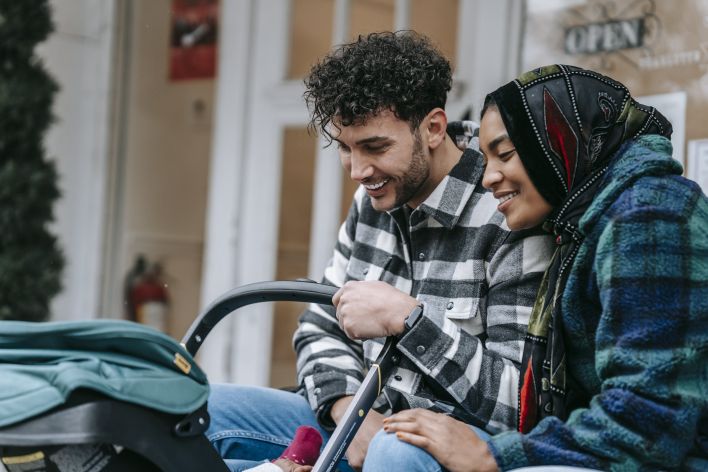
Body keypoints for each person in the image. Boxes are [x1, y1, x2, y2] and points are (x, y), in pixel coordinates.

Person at [206, 31, 553, 472]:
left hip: (443, 448)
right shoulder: (371, 201)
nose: (358, 171)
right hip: (361, 423)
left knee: (394, 451)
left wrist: (409, 321)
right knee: (207, 409)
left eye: (375, 147)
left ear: (432, 128)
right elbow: (319, 327)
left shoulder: (507, 213)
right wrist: (350, 409)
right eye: (345, 148)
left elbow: (518, 405)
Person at [382, 64, 708, 471]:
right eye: (485, 159)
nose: (488, 178)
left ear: (562, 141)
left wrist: (492, 456)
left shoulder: (650, 215)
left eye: (505, 153)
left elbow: (648, 419)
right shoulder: (584, 224)